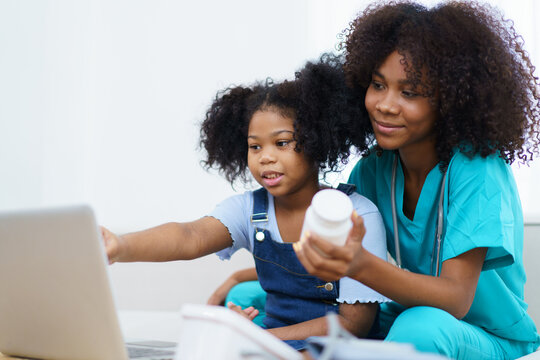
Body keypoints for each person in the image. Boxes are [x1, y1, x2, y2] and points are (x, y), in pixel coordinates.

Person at [293, 1, 540, 359]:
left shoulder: (478, 170)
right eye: (378, 85)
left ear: (451, 100)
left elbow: (455, 299)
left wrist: (359, 264)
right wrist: (242, 281)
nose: (385, 105)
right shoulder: (373, 169)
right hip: (407, 314)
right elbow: (337, 269)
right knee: (252, 300)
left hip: (487, 336)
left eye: (409, 92)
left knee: (421, 327)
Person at [101, 54, 390, 351]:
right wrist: (121, 245)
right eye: (255, 146)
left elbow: (354, 324)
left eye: (282, 143)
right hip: (274, 345)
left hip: (338, 349)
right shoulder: (250, 210)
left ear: (318, 142)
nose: (265, 156)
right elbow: (190, 236)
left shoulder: (357, 214)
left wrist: (256, 337)